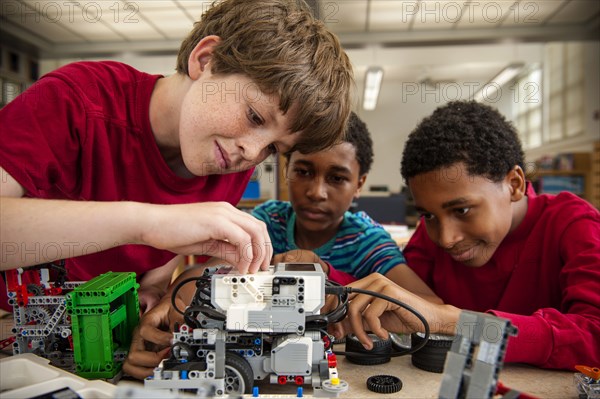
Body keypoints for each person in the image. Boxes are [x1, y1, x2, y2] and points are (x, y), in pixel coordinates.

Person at [0, 0, 353, 365]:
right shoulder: (74, 99)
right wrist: (150, 224)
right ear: (206, 59)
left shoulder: (226, 158)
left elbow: (168, 256)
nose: (251, 151)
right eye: (253, 115)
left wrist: (157, 291)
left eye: (274, 148)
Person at [336, 101, 600, 370]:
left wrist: (453, 322)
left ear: (514, 184)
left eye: (462, 210)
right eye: (428, 215)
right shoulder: (432, 235)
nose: (446, 238)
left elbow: (594, 335)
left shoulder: (574, 225)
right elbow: (398, 297)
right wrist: (327, 279)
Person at [252, 112, 438, 300]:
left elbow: (430, 306)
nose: (317, 193)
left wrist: (326, 275)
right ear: (286, 171)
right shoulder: (267, 223)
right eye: (303, 172)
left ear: (359, 185)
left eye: (337, 178)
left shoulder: (366, 242)